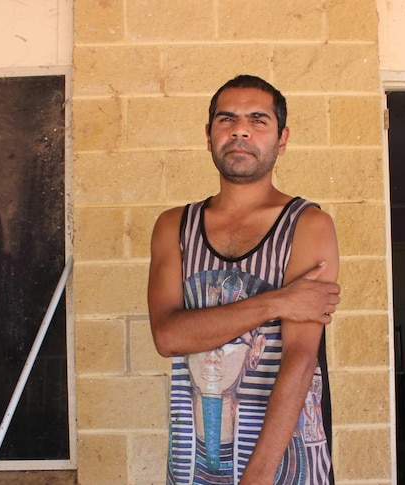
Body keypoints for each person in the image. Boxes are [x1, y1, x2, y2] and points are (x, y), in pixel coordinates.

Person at [148, 74, 341, 485]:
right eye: (226, 119)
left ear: (282, 138)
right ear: (208, 134)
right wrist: (276, 302)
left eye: (258, 119)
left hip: (286, 463)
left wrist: (256, 477)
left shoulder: (308, 225)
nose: (240, 130)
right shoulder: (173, 227)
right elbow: (168, 336)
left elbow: (300, 358)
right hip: (195, 463)